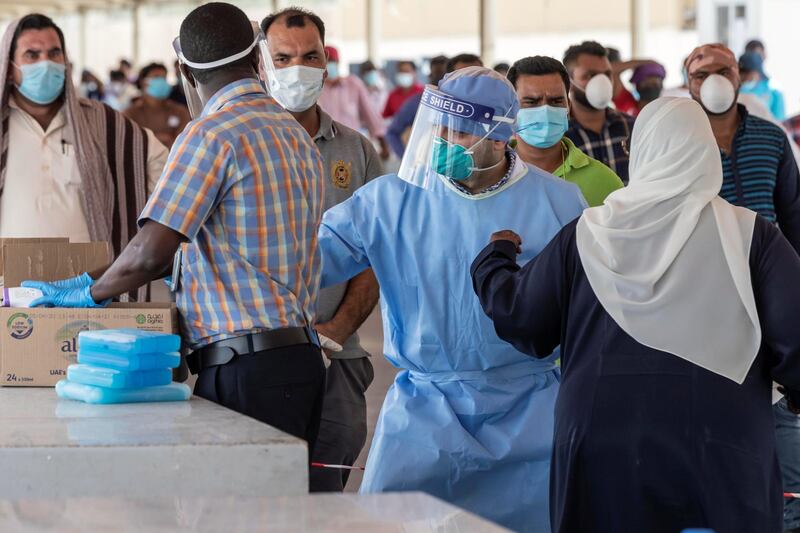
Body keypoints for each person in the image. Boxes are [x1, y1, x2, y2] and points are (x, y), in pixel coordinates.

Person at [472, 97, 800, 533]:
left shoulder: (589, 233)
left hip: (601, 438)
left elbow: (524, 318)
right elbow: (796, 337)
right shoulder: (751, 235)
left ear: (641, 151)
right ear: (703, 149)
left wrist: (495, 261)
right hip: (721, 438)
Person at [26, 2, 327, 459]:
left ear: (185, 71)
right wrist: (96, 279)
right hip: (298, 359)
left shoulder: (211, 133)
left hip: (246, 365)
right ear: (257, 58)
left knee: (235, 513)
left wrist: (90, 293)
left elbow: (153, 252)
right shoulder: (294, 134)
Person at [317, 66, 586, 532]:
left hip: (531, 415)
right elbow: (308, 262)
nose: (441, 138)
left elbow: (590, 309)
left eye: (459, 130)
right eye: (437, 125)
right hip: (424, 415)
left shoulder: (561, 204)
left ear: (500, 135)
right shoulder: (390, 201)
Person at [260, 6, 382, 493]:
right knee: (260, 497)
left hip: (340, 355)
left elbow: (375, 253)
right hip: (259, 355)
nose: (298, 69)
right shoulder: (240, 142)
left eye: (309, 56)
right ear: (263, 66)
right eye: (283, 58)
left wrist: (335, 331)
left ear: (326, 64)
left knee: (326, 491)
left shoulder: (355, 150)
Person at [0, 14, 167, 301]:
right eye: (32, 54)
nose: (46, 63)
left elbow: (168, 173)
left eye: (54, 53)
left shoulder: (105, 125)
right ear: (9, 66)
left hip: (88, 288)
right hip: (9, 286)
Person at [686, 44, 800, 251]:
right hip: (708, 269)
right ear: (688, 84)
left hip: (769, 265)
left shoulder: (772, 138)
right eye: (701, 75)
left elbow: (794, 214)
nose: (714, 82)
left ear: (739, 77)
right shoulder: (679, 144)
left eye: (723, 72)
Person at [508, 56, 623, 207]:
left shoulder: (604, 181)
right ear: (509, 108)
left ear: (568, 106)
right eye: (531, 102)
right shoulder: (490, 177)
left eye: (556, 101)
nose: (546, 111)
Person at [563, 41, 635, 183]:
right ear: (568, 83)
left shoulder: (633, 127)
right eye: (590, 75)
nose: (602, 82)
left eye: (607, 74)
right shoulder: (558, 135)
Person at [386, 54, 478, 158]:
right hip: (426, 163)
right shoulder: (420, 101)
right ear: (430, 75)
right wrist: (407, 158)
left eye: (444, 74)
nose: (441, 78)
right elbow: (392, 132)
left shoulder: (470, 105)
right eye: (437, 73)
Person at [318, 45, 389, 159]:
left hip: (351, 148)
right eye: (326, 61)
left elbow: (370, 115)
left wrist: (383, 144)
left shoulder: (353, 85)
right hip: (324, 150)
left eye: (332, 61)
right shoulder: (316, 89)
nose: (329, 64)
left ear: (338, 62)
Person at [124, 62, 190, 147]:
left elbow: (185, 141)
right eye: (156, 77)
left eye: (164, 77)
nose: (161, 81)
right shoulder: (131, 113)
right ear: (143, 82)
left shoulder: (180, 111)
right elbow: (129, 142)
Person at [739, 51, 785, 121]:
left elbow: (780, 121)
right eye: (741, 73)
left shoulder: (773, 91)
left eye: (747, 73)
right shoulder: (734, 90)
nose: (744, 77)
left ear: (757, 73)